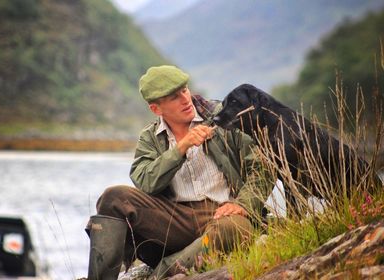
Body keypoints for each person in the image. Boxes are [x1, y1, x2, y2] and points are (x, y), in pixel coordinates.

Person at [85, 65, 273, 280]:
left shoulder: (225, 116)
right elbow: (145, 181)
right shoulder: (151, 137)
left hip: (225, 214)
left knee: (234, 229)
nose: (185, 99)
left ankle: (161, 272)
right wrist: (181, 148)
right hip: (176, 219)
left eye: (184, 90)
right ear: (156, 109)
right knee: (114, 196)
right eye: (174, 97)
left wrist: (242, 205)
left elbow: (263, 168)